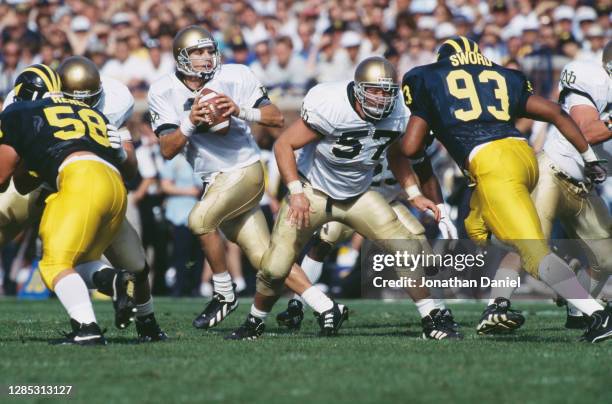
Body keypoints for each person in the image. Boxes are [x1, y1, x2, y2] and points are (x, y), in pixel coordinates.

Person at [227, 56, 459, 341]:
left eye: (387, 91)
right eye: (375, 90)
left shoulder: (399, 111)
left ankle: (432, 321)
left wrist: (413, 194)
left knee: (407, 249)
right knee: (275, 267)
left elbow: (396, 153)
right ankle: (254, 322)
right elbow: (283, 145)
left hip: (358, 195)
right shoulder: (332, 104)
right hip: (313, 191)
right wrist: (296, 192)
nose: (382, 98)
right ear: (359, 88)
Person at [400, 36, 611, 343]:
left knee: (533, 252)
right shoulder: (503, 75)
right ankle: (535, 269)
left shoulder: (426, 77)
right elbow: (555, 111)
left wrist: (426, 140)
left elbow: (409, 146)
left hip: (492, 164)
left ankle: (597, 315)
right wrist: (589, 156)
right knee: (478, 228)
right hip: (524, 157)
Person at [148, 26, 341, 331]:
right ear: (181, 57)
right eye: (198, 52)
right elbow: (168, 149)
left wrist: (240, 110)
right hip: (214, 181)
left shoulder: (236, 75)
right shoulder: (162, 90)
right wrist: (190, 121)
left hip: (244, 171)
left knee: (199, 220)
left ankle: (224, 292)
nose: (207, 58)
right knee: (268, 261)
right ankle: (327, 306)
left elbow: (277, 118)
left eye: (210, 51)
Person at [477, 40, 612, 333]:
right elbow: (586, 130)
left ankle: (581, 309)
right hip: (552, 171)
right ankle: (496, 306)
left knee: (606, 257)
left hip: (586, 188)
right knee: (529, 242)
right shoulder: (594, 79)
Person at [0, 82, 127, 345]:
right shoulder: (83, 110)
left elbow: (3, 177)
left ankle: (87, 328)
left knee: (52, 264)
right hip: (115, 185)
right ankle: (114, 278)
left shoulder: (20, 113)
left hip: (80, 179)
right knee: (76, 264)